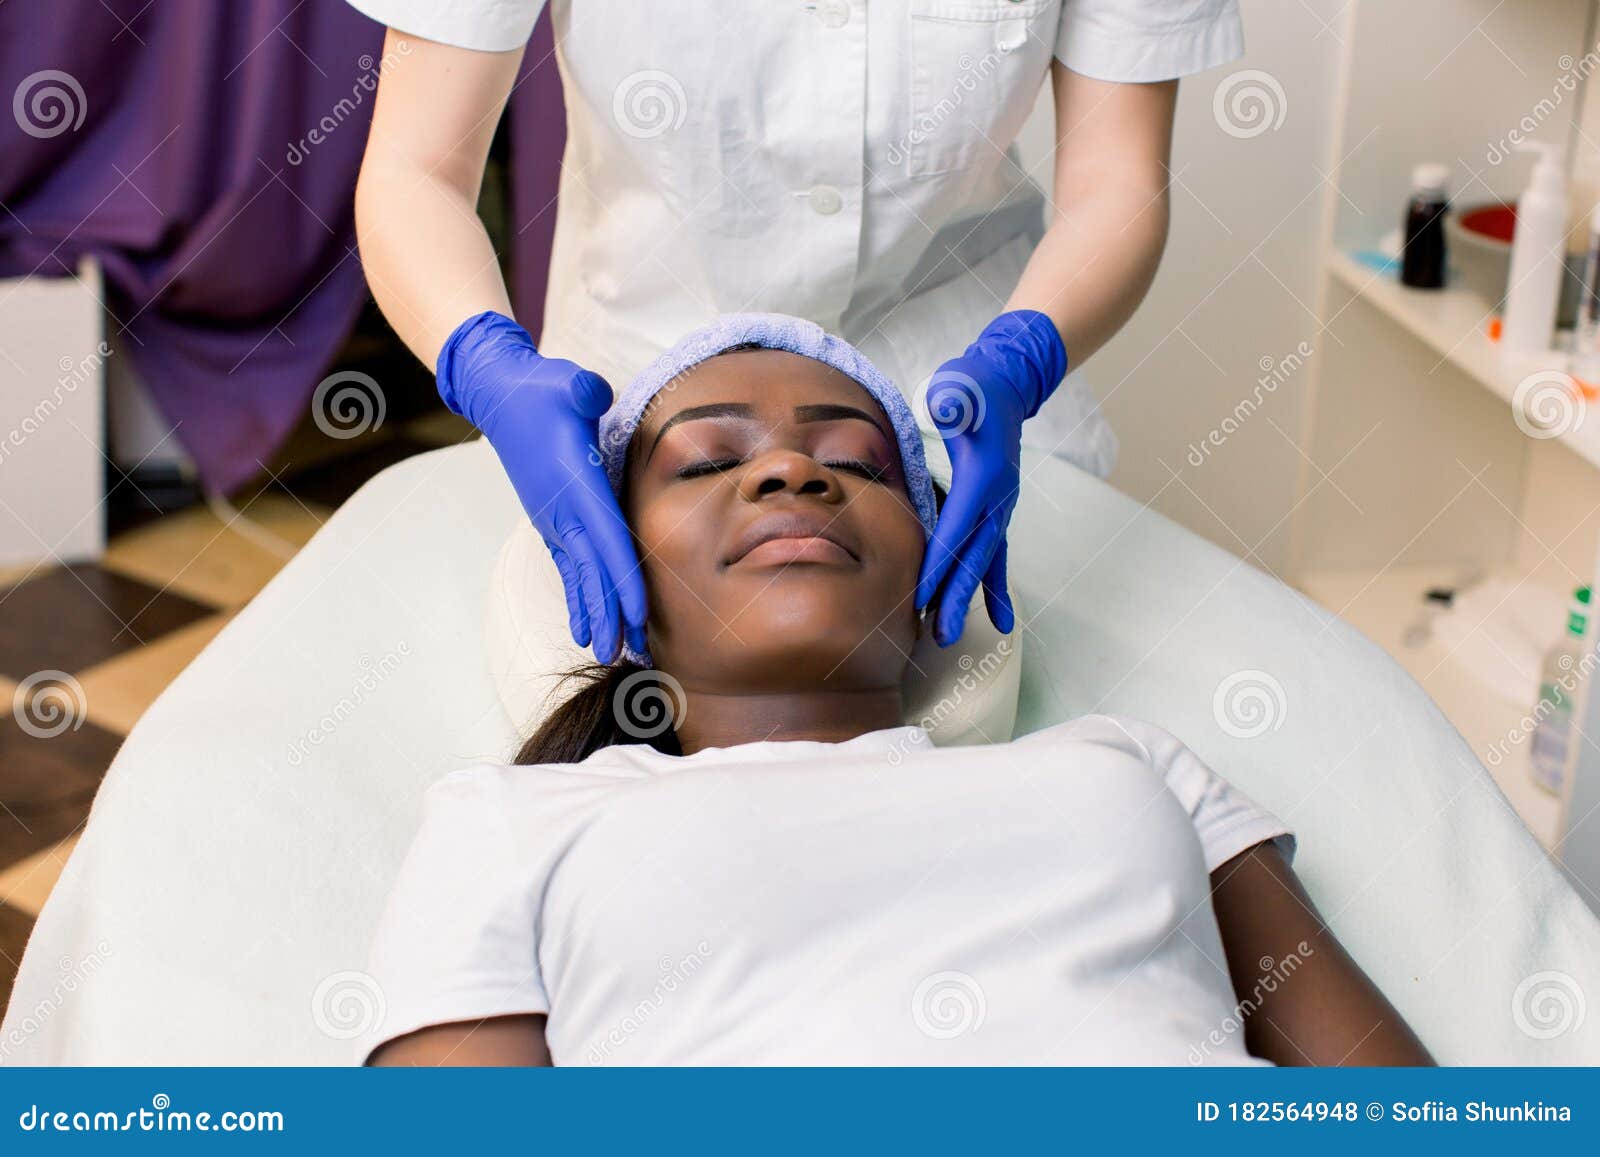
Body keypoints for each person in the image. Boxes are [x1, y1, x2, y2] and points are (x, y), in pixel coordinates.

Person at [360, 317, 1432, 1067]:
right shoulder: (512, 819)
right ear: (603, 557)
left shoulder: (1129, 760)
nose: (791, 472)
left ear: (938, 563)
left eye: (862, 463)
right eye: (701, 463)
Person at [350, 0, 1240, 663]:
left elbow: (1117, 183)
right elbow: (415, 171)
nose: (790, 471)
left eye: (851, 459)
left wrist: (1023, 357)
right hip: (634, 380)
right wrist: (485, 363)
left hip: (965, 391)